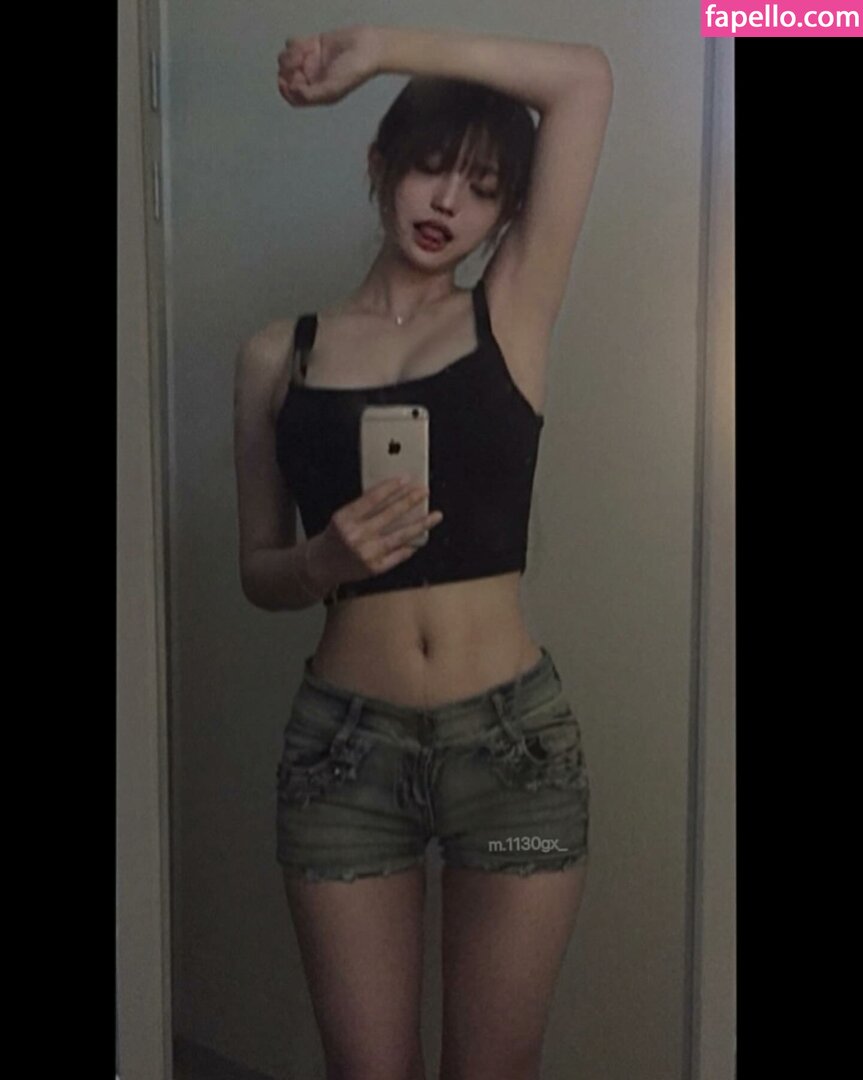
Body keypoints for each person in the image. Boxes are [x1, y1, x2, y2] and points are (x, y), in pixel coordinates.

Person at [234, 22, 613, 1080]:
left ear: (506, 213)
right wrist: (320, 564)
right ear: (381, 166)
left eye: (483, 189)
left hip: (513, 761)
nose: (448, 202)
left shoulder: (510, 315)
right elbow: (257, 569)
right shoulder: (276, 355)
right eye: (429, 167)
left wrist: (377, 51)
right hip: (342, 764)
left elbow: (582, 81)